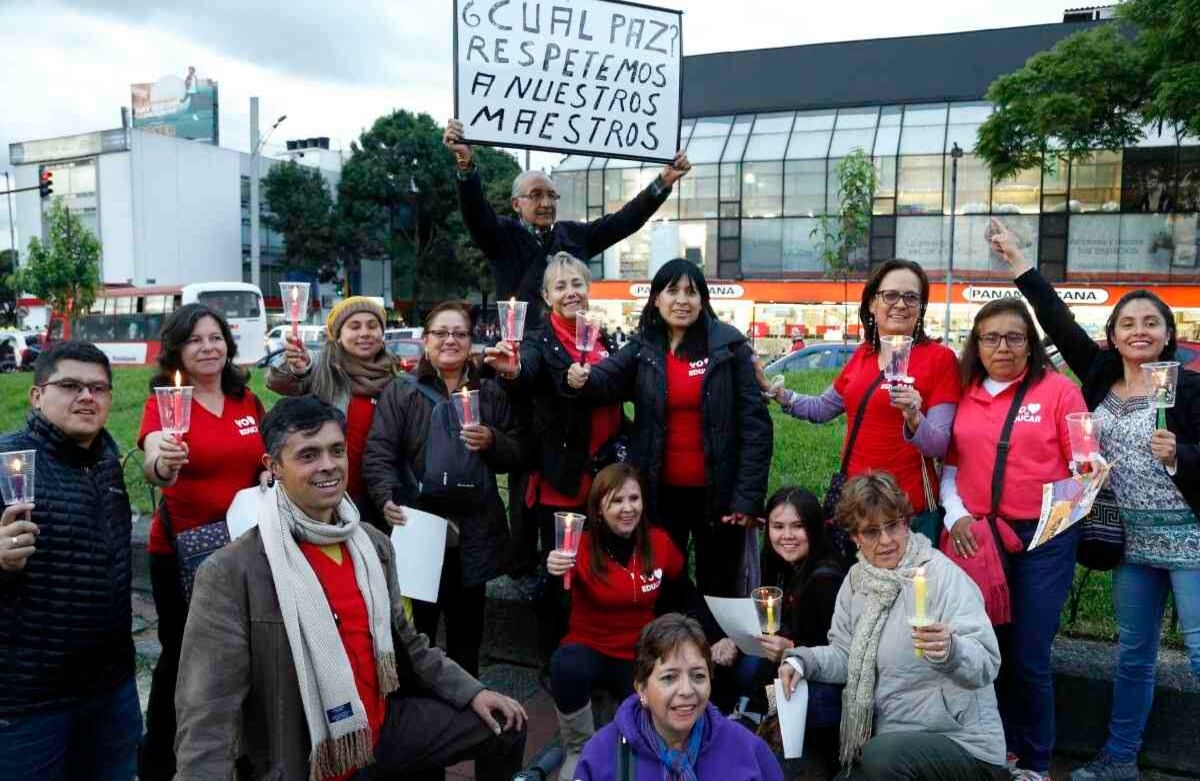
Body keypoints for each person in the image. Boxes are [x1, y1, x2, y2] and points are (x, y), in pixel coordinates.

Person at [174, 396, 527, 781]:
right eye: (308, 455)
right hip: (309, 756)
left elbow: (407, 642)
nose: (327, 465)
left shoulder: (372, 544)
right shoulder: (232, 571)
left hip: (382, 730)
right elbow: (207, 708)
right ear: (273, 467)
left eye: (336, 451)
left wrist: (473, 692)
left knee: (505, 725)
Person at [989, 219, 1200, 781]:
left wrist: (1182, 454)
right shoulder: (1101, 374)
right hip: (1130, 545)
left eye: (1150, 322)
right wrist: (1019, 262)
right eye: (1127, 323)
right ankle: (1120, 759)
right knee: (1135, 657)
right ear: (1112, 333)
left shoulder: (1191, 386)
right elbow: (1056, 320)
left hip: (1191, 543)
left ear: (1167, 333)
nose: (1139, 331)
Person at [939, 297, 1086, 780]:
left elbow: (1087, 469)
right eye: (991, 337)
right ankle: (997, 750)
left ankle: (1037, 761)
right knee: (987, 647)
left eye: (1014, 337)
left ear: (1031, 344)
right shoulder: (966, 393)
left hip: (1045, 538)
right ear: (976, 345)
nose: (1002, 346)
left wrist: (1050, 523)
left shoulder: (1061, 392)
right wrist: (957, 517)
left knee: (1028, 654)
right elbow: (950, 467)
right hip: (981, 538)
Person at [778, 472, 1005, 781]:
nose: (886, 540)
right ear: (855, 536)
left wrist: (952, 651)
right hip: (893, 738)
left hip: (962, 743)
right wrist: (802, 660)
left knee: (879, 756)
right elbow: (846, 655)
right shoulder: (857, 582)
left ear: (905, 522)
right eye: (871, 532)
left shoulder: (941, 576)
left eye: (893, 525)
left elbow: (987, 663)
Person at [568, 258, 774, 597]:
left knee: (718, 585)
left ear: (703, 301)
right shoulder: (643, 347)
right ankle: (668, 648)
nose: (682, 300)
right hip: (658, 493)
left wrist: (747, 498)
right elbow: (604, 381)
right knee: (663, 582)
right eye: (672, 291)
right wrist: (579, 377)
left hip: (719, 497)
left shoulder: (728, 346)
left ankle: (717, 648)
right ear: (656, 300)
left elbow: (756, 427)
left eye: (691, 292)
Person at [137, 303, 269, 780]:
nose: (208, 347)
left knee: (245, 655)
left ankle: (240, 754)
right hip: (183, 555)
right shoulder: (166, 403)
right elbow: (154, 457)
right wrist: (164, 463)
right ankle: (162, 760)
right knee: (183, 661)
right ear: (178, 349)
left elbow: (265, 456)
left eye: (215, 337)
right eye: (195, 340)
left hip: (244, 550)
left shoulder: (245, 401)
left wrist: (270, 471)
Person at [0, 342, 141, 779]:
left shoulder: (106, 462)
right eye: (71, 385)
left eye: (99, 388)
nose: (87, 396)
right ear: (37, 395)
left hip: (111, 686)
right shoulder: (9, 462)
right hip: (30, 700)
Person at [363, 301, 522, 677]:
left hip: (475, 530)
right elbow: (378, 452)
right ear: (425, 340)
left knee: (468, 636)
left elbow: (519, 451)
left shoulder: (492, 393)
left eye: (460, 333)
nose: (450, 340)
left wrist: (493, 441)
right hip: (419, 527)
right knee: (417, 636)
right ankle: (424, 719)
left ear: (471, 341)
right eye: (441, 333)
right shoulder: (401, 392)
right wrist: (386, 498)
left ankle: (469, 717)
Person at [484, 252, 625, 661]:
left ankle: (600, 648)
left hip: (608, 477)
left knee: (603, 566)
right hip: (563, 480)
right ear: (546, 296)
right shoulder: (539, 340)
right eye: (560, 286)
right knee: (563, 573)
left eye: (577, 284)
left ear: (588, 289)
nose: (571, 292)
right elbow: (526, 373)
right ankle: (557, 656)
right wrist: (511, 372)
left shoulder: (603, 337)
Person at [769, 259, 961, 542]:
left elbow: (940, 444)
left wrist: (913, 416)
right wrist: (781, 395)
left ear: (920, 308)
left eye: (911, 297)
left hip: (905, 509)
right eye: (890, 295)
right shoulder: (863, 355)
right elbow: (823, 409)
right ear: (872, 303)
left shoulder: (940, 359)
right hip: (855, 501)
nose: (900, 304)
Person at [443, 117, 692, 328]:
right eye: (536, 195)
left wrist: (665, 180)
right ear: (516, 204)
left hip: (570, 353)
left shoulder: (574, 235)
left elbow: (624, 221)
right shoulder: (501, 236)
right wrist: (465, 163)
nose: (546, 203)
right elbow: (475, 211)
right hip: (521, 358)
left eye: (552, 195)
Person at [544, 463, 692, 780]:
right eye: (616, 501)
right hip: (590, 644)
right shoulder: (578, 547)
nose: (627, 508)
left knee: (645, 728)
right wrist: (555, 574)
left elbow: (685, 595)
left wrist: (719, 638)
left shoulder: (659, 542)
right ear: (599, 508)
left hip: (641, 651)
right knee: (566, 665)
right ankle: (577, 750)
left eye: (633, 499)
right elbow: (555, 605)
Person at [710, 487, 845, 759]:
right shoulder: (782, 566)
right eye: (778, 526)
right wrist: (732, 637)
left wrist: (792, 648)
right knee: (733, 661)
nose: (786, 536)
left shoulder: (825, 579)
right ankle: (746, 720)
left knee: (751, 669)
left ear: (815, 528)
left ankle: (769, 729)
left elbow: (836, 649)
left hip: (822, 683)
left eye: (798, 526)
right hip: (785, 662)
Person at [574, 613, 783, 781]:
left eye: (698, 676)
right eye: (669, 678)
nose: (686, 690)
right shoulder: (601, 756)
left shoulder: (748, 750)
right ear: (641, 689)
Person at [269, 296, 399, 530]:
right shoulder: (323, 372)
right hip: (330, 495)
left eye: (372, 325)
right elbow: (282, 383)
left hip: (382, 498)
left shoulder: (395, 381)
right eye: (354, 326)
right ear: (337, 336)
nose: (365, 333)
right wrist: (299, 369)